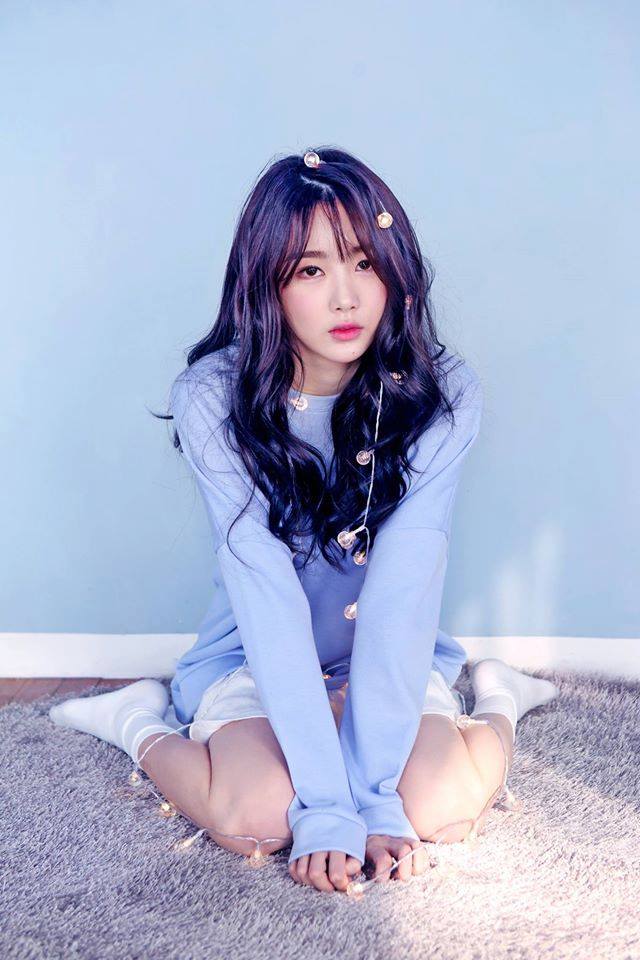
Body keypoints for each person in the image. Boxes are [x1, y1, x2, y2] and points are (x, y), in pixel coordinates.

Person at [49, 146, 558, 895]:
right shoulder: (212, 398)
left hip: (387, 654)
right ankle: (136, 721)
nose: (346, 298)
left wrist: (374, 796)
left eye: (364, 263)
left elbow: (402, 589)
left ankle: (500, 700)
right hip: (255, 657)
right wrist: (325, 804)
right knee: (259, 819)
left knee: (439, 808)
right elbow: (266, 594)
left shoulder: (441, 393)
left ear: (394, 269)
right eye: (311, 271)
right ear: (268, 285)